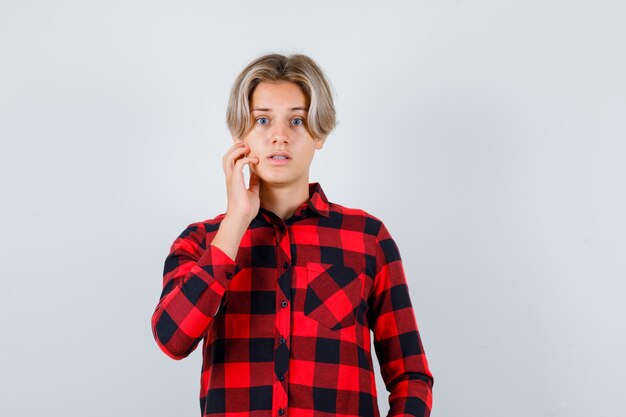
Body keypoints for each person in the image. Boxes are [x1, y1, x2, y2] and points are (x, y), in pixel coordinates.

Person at [151, 53, 434, 417]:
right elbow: (173, 339)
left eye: (297, 120)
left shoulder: (368, 238)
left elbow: (411, 374)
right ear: (241, 134)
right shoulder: (201, 241)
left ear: (319, 133)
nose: (280, 136)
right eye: (263, 120)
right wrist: (237, 219)